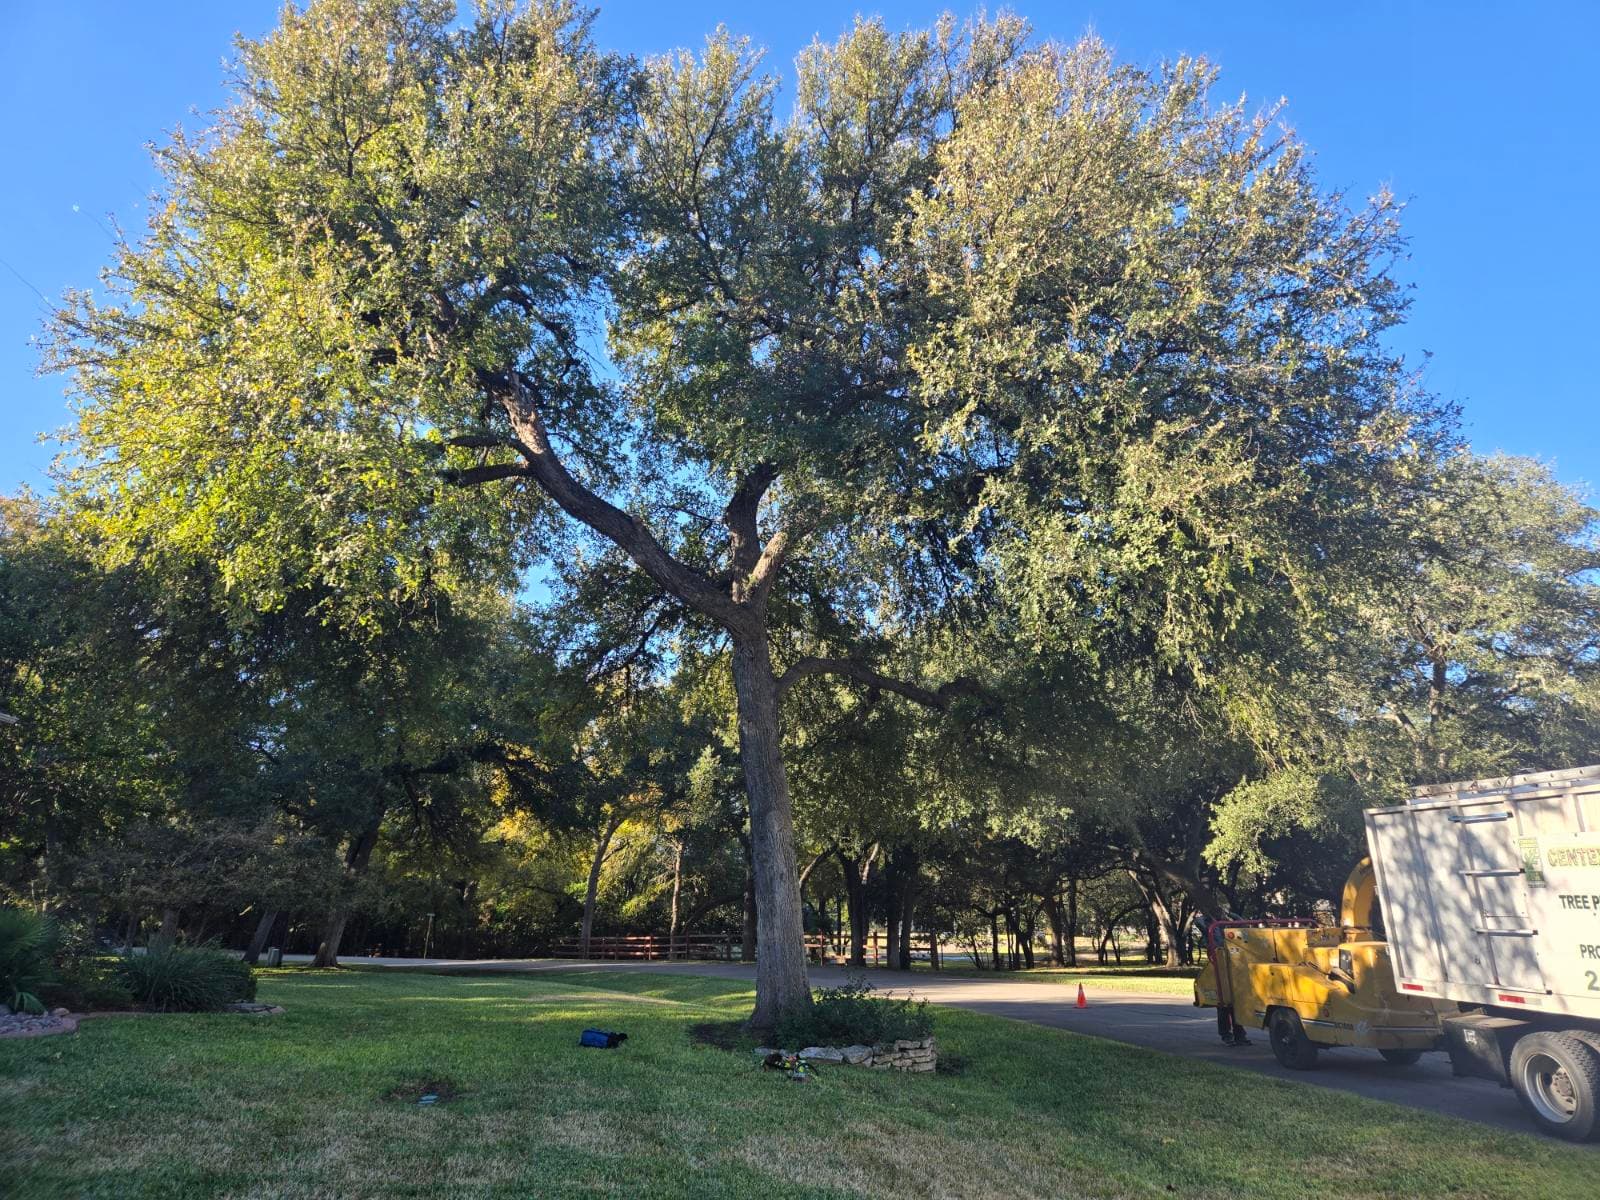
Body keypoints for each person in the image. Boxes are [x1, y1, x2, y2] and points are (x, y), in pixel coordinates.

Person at [1197, 914, 1251, 1047]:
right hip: (1220, 967)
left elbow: (1242, 924)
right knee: (1223, 1005)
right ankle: (1226, 1034)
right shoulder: (1211, 928)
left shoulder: (1228, 928)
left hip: (1234, 968)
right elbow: (1199, 922)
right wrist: (1212, 919)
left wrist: (1229, 916)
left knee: (1235, 1004)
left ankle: (1240, 1035)